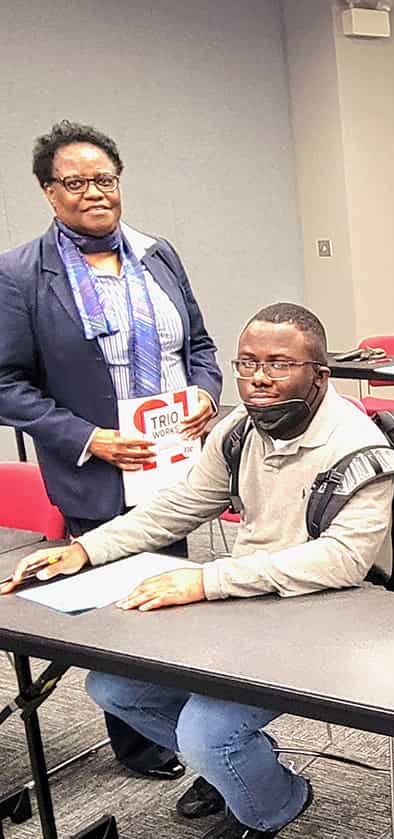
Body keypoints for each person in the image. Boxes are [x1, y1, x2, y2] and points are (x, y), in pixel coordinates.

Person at [3, 304, 394, 839]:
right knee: (113, 689)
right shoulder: (239, 430)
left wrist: (205, 580)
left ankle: (277, 801)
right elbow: (177, 506)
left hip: (330, 615)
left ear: (320, 375)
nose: (258, 378)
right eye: (247, 363)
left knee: (206, 733)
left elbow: (342, 562)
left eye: (279, 364)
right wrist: (85, 548)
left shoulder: (360, 447)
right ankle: (240, 766)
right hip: (247, 601)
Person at [0, 120, 223, 780]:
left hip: (179, 464)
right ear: (48, 191)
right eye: (76, 182)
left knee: (181, 594)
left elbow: (202, 347)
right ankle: (139, 738)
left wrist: (208, 393)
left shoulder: (158, 254)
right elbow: (5, 381)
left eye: (105, 179)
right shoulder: (20, 274)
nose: (94, 192)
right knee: (124, 612)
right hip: (102, 473)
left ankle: (196, 722)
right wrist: (89, 437)